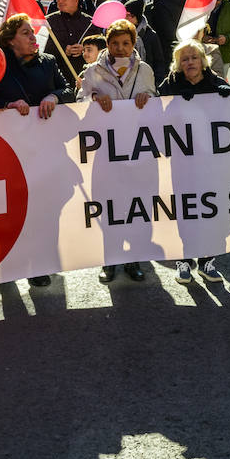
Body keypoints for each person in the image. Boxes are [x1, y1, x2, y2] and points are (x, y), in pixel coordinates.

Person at [0, 14, 75, 289]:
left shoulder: (47, 62)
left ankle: (41, 263)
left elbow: (70, 88)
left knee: (47, 206)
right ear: (11, 39)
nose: (33, 37)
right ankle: (9, 263)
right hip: (13, 151)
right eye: (26, 33)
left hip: (47, 150)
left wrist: (54, 96)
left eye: (32, 32)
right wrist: (8, 104)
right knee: (14, 208)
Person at [80, 19, 158, 283]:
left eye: (126, 43)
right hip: (107, 151)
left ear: (133, 44)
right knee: (110, 205)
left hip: (138, 150)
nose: (121, 48)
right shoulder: (93, 71)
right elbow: (80, 103)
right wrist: (92, 99)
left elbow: (155, 101)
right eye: (115, 43)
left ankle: (134, 259)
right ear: (108, 44)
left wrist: (148, 100)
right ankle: (110, 260)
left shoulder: (145, 70)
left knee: (137, 203)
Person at [156, 41, 230, 285]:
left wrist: (224, 94)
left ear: (203, 60)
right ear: (178, 64)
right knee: (185, 209)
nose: (189, 62)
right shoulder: (170, 84)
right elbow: (157, 114)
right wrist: (176, 102)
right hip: (182, 161)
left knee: (209, 208)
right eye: (184, 59)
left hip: (210, 161)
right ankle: (184, 260)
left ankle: (207, 260)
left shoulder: (216, 82)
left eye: (194, 57)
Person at [45, 0, 96, 87]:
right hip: (57, 82)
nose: (60, 1)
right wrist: (63, 49)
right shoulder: (48, 22)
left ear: (76, 0)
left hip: (85, 81)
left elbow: (100, 49)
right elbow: (42, 49)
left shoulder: (90, 23)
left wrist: (85, 49)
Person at [146, 0, 185, 72]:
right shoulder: (183, 0)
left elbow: (164, 33)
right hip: (184, 49)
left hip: (165, 54)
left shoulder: (158, 7)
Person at [123, 0, 166, 82]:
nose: (125, 18)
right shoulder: (120, 33)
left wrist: (156, 83)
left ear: (137, 17)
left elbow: (158, 62)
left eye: (129, 15)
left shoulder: (150, 35)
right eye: (124, 15)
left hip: (146, 80)